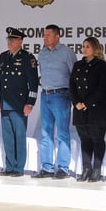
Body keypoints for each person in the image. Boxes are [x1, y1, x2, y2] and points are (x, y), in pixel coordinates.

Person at [32, 24, 77, 179]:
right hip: (45, 95)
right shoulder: (42, 53)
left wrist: (71, 96)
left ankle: (63, 168)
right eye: (44, 35)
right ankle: (47, 167)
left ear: (57, 36)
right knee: (45, 133)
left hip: (61, 95)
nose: (45, 38)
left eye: (48, 35)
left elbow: (75, 76)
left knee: (63, 133)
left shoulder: (66, 52)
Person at [0, 27, 39, 177]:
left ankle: (18, 168)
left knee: (19, 137)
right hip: (6, 103)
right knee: (8, 137)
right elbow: (1, 81)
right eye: (8, 39)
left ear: (20, 42)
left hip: (20, 104)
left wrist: (30, 103)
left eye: (13, 40)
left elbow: (33, 83)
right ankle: (10, 166)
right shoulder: (2, 57)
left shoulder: (28, 58)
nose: (9, 42)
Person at [69, 37, 106, 182]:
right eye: (83, 46)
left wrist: (87, 103)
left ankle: (96, 169)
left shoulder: (102, 66)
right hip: (80, 109)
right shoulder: (78, 65)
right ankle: (86, 168)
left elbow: (101, 89)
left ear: (95, 48)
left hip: (96, 109)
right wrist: (76, 103)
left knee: (97, 139)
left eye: (88, 46)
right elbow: (72, 86)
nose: (84, 48)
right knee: (85, 140)